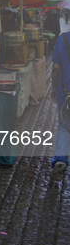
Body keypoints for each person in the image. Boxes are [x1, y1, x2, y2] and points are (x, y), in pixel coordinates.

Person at [49, 31, 70, 181]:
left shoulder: (63, 38)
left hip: (66, 91)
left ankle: (61, 158)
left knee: (64, 125)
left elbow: (56, 67)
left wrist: (54, 88)